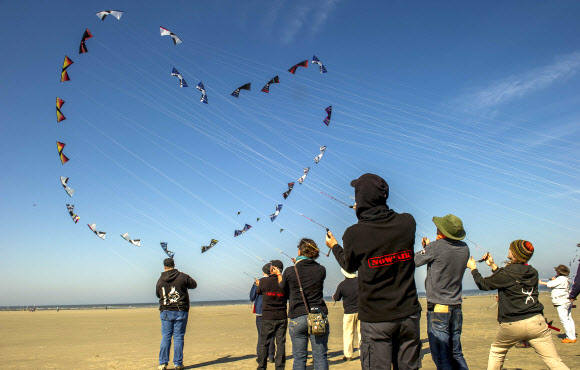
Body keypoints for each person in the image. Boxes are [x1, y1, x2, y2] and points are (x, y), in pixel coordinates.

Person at [326, 173, 422, 370]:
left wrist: (334, 245)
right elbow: (385, 225)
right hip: (408, 314)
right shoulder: (407, 223)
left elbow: (349, 266)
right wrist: (367, 211)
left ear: (361, 200)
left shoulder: (353, 233)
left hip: (377, 319)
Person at [466, 240, 569, 370]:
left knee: (497, 351)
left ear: (514, 254)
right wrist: (492, 265)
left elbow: (484, 284)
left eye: (510, 249)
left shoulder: (507, 272)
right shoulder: (533, 271)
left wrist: (473, 268)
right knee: (555, 362)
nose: (508, 250)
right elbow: (510, 281)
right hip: (536, 322)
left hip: (513, 323)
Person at [414, 214, 470, 369]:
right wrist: (431, 247)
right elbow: (446, 255)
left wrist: (427, 248)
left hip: (439, 308)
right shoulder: (465, 248)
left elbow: (416, 260)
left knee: (441, 356)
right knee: (456, 353)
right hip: (456, 307)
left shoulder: (436, 247)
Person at [272, 238, 329, 370]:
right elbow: (309, 275)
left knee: (299, 358)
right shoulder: (321, 269)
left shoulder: (291, 271)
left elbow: (282, 287)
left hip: (297, 316)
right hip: (317, 315)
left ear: (300, 251)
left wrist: (280, 273)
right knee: (320, 357)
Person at [156, 258, 197, 370]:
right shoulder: (181, 277)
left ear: (164, 267)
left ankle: (164, 363)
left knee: (167, 337)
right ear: (173, 265)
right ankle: (175, 363)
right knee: (177, 337)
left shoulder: (161, 280)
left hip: (171, 310)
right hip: (177, 311)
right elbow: (158, 294)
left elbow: (193, 284)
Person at [256, 260, 287, 370]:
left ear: (273, 269)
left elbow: (258, 291)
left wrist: (260, 285)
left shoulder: (264, 281)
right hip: (281, 316)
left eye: (271, 267)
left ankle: (262, 367)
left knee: (264, 343)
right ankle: (279, 367)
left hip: (268, 317)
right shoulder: (284, 282)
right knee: (281, 343)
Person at [539, 265, 576, 343]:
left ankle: (570, 337)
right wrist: (555, 279)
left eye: (557, 271)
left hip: (562, 301)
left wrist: (541, 282)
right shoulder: (566, 279)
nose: (556, 272)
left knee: (564, 319)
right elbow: (556, 283)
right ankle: (572, 336)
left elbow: (549, 284)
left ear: (559, 272)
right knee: (569, 318)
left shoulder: (561, 279)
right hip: (567, 301)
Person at [333, 268, 360, 361]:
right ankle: (363, 352)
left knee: (348, 334)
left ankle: (348, 355)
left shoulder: (342, 285)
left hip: (349, 313)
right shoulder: (360, 282)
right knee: (362, 334)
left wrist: (333, 297)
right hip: (361, 312)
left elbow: (336, 298)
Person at [251, 265, 276, 363]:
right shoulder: (275, 281)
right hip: (272, 312)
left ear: (263, 272)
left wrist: (257, 286)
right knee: (271, 335)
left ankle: (262, 356)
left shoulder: (259, 282)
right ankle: (270, 355)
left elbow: (252, 297)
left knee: (262, 335)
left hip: (262, 313)